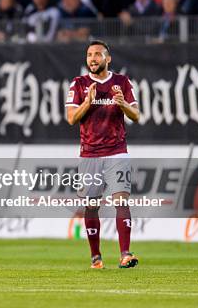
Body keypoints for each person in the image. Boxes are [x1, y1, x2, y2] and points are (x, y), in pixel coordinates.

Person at [65, 40, 140, 270]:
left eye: (98, 54)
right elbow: (71, 118)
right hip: (89, 153)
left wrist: (123, 104)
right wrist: (87, 102)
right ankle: (96, 257)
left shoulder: (122, 82)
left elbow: (136, 115)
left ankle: (125, 254)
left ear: (108, 58)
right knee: (91, 206)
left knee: (121, 200)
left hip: (117, 150)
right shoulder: (78, 84)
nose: (93, 59)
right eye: (89, 55)